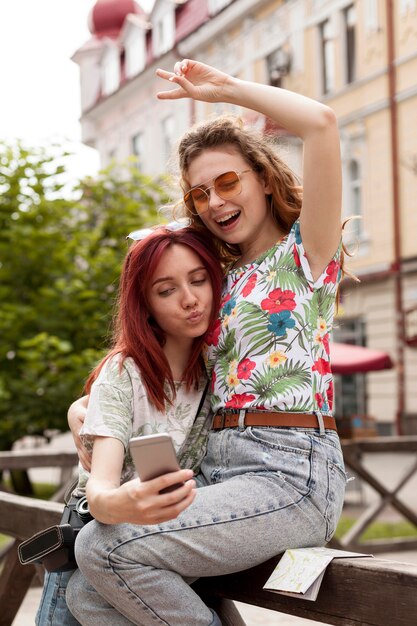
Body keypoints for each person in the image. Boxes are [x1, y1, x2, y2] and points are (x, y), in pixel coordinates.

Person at [66, 59, 348, 626]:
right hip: (213, 471)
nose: (216, 202)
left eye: (228, 182)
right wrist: (88, 410)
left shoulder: (305, 256)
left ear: (262, 180)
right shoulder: (214, 279)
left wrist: (227, 90)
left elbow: (321, 123)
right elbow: (164, 375)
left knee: (102, 550)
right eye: (200, 193)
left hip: (290, 475)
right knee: (87, 596)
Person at [35, 223, 225, 626]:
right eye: (166, 290)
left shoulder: (220, 369)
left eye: (198, 280)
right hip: (93, 536)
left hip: (160, 549)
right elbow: (100, 486)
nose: (190, 300)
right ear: (146, 303)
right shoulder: (124, 373)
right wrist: (116, 502)